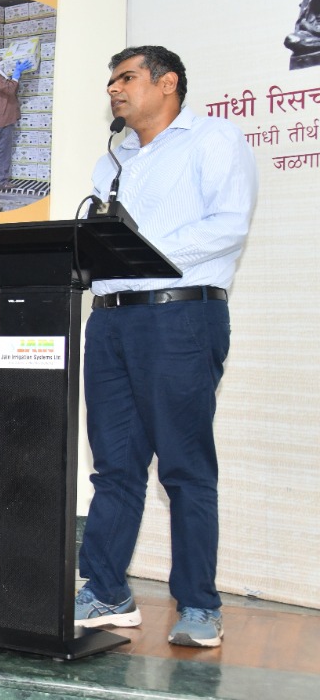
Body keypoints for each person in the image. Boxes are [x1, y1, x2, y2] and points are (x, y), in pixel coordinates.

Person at [73, 45, 257, 649]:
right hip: (110, 322)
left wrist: (141, 252)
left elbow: (228, 225)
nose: (114, 89)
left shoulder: (213, 139)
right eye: (112, 81)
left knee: (184, 466)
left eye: (126, 78)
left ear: (167, 83)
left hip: (180, 318)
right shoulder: (113, 161)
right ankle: (106, 590)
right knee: (114, 467)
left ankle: (199, 604)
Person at [0, 51, 32, 192]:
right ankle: (0, 181)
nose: (2, 61)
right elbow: (10, 89)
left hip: (2, 118)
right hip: (3, 118)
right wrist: (16, 74)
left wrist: (14, 76)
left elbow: (9, 89)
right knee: (2, 151)